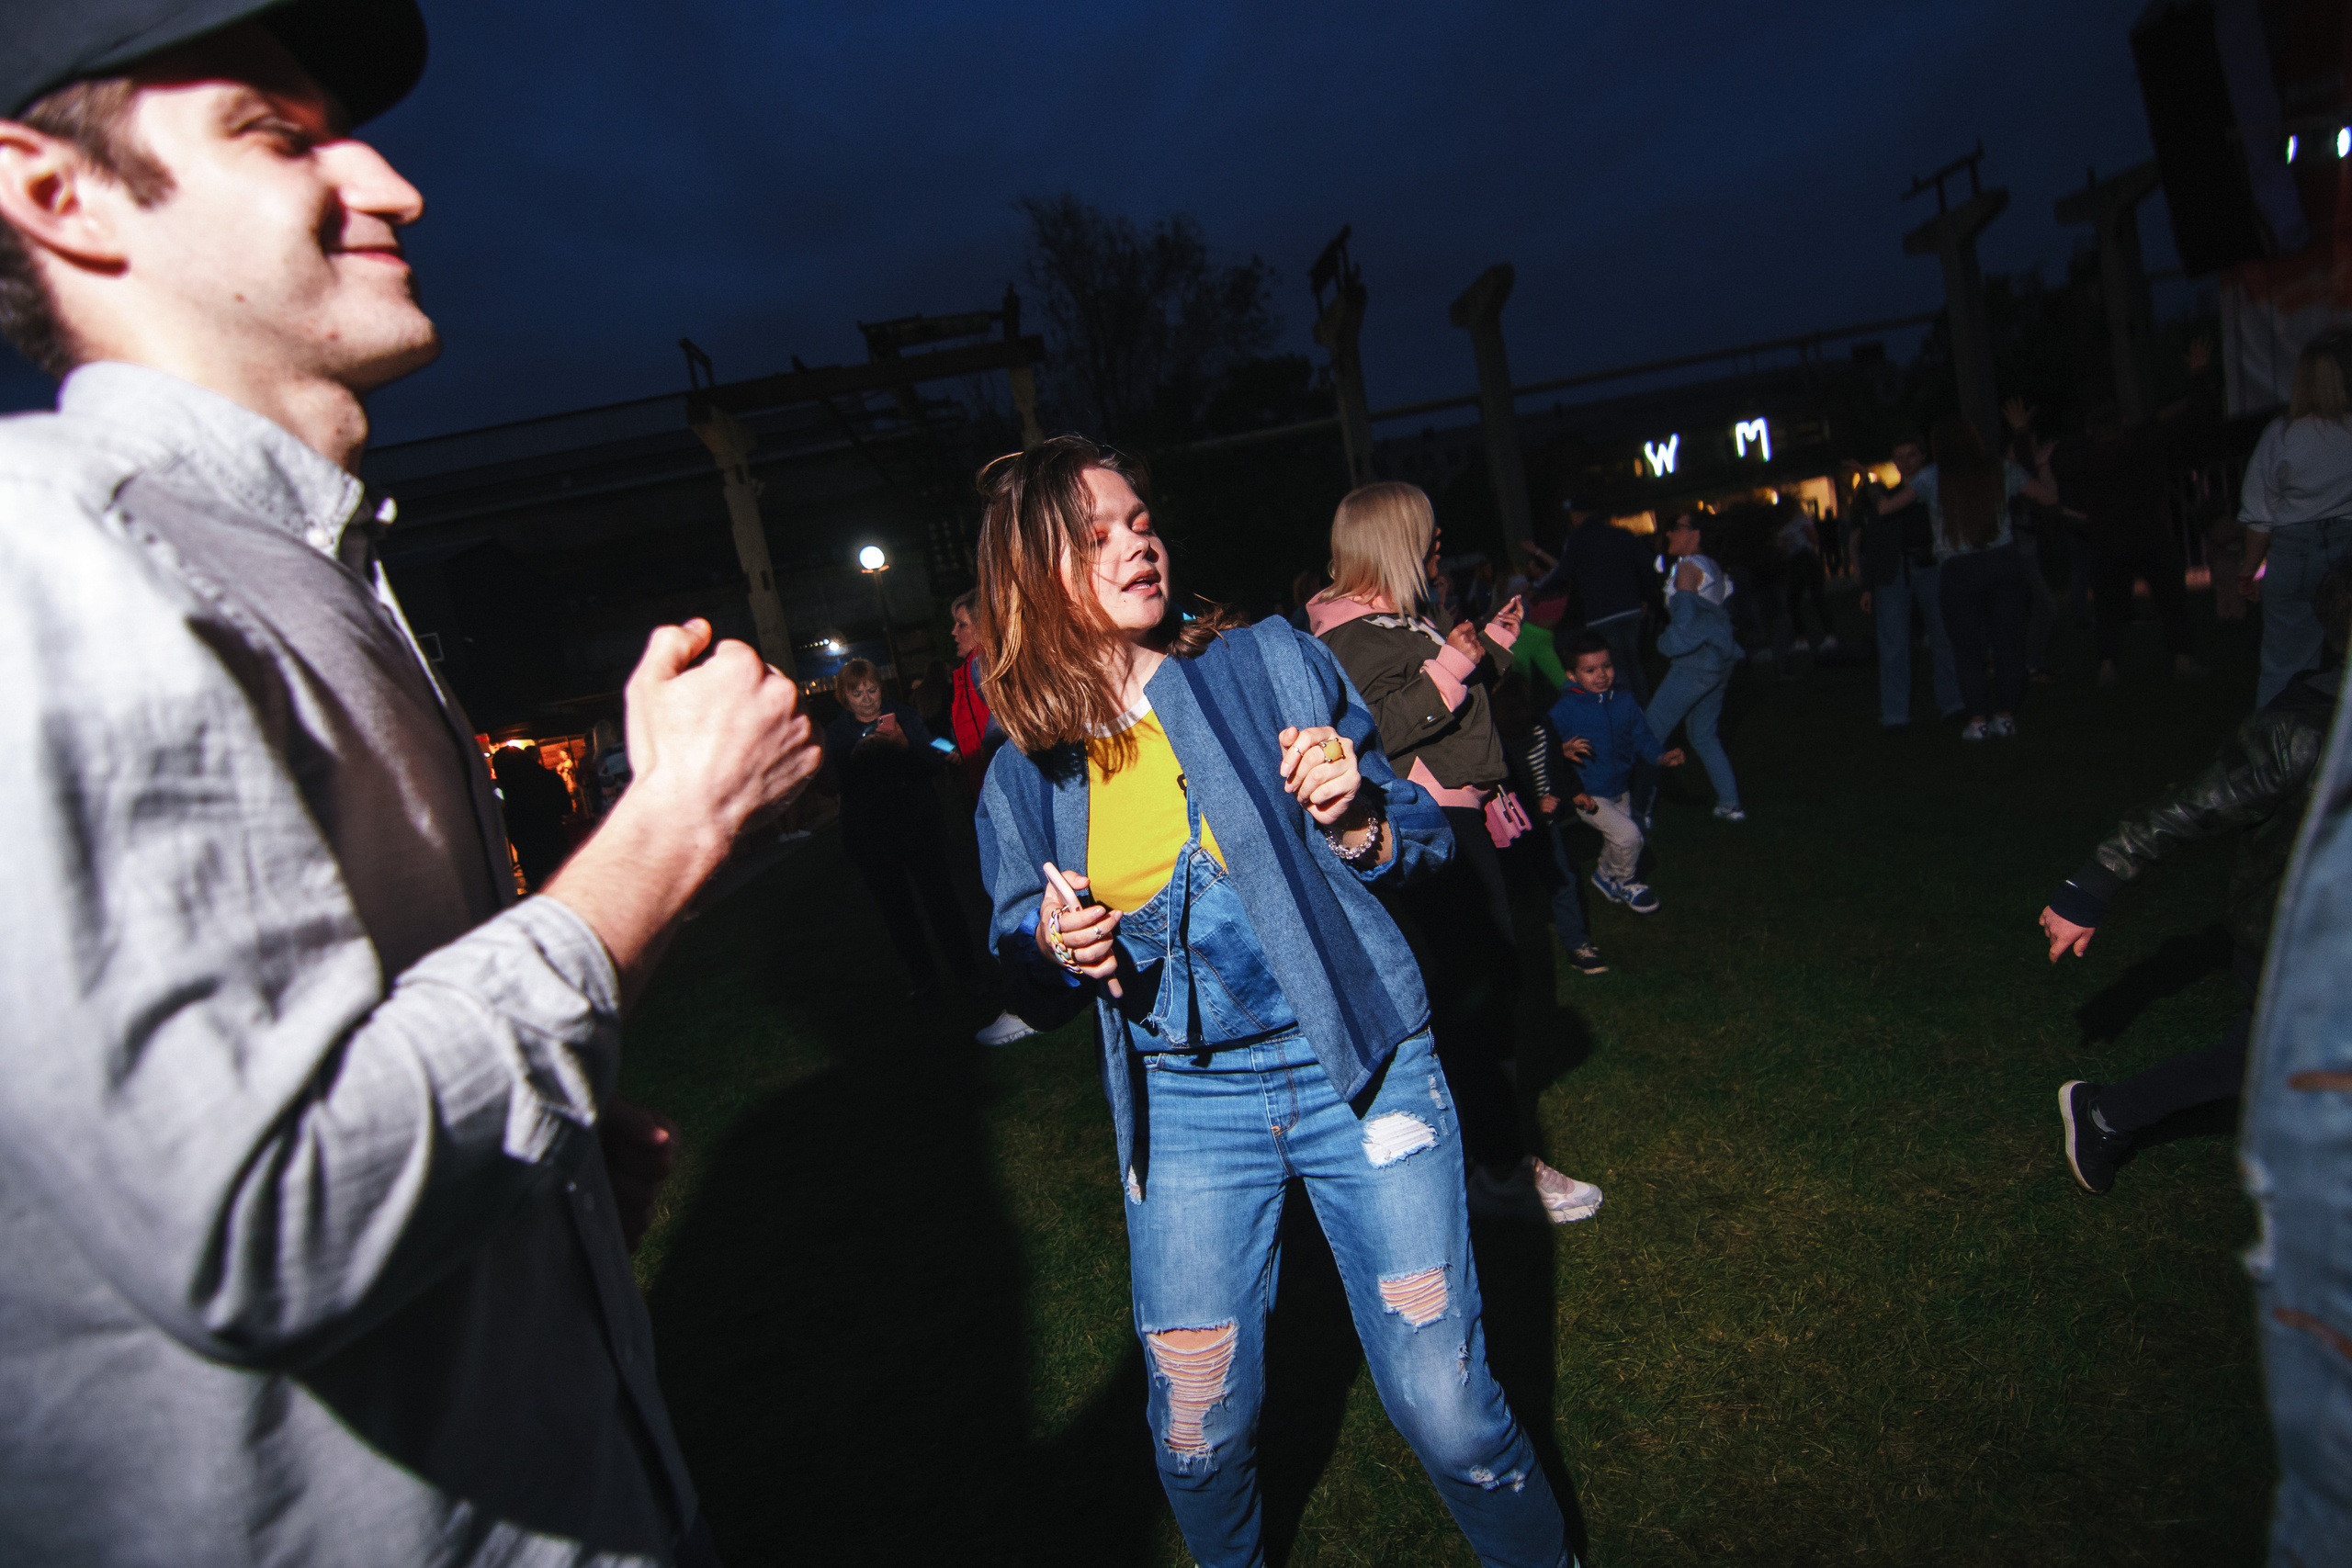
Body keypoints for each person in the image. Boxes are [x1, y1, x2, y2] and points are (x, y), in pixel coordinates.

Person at [0, 9, 824, 1563]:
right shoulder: (53, 559)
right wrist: (663, 830)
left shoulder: (304, 565)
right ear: (59, 196)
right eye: (277, 133)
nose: (392, 185)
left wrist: (536, 1186)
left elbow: (360, 1103)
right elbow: (273, 1214)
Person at [972, 437, 1581, 1568]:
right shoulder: (1028, 773)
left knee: (1446, 1411)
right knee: (1197, 1440)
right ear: (1031, 576)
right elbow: (1020, 960)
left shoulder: (1264, 664)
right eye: (1097, 535)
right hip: (1186, 1112)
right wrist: (1055, 946)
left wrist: (1355, 814)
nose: (1138, 542)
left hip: (1359, 1063)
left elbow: (1414, 843)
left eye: (1140, 519)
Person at [1309, 484, 1607, 1228]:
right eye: (1428, 532)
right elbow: (1378, 725)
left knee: (1482, 986)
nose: (1441, 542)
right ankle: (1498, 1167)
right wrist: (1449, 665)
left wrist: (1489, 651)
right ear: (1392, 542)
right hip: (1428, 826)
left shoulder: (1398, 620)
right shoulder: (1352, 637)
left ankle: (1478, 1155)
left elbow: (1456, 701)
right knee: (1476, 992)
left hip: (1462, 818)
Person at [2042, 561, 2352, 1197]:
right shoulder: (2302, 733)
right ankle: (2104, 1113)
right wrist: (2091, 884)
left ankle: (2105, 1114)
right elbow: (2192, 805)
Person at [2036, 344, 2217, 689]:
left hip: (2108, 542)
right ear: (2121, 421)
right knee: (2171, 601)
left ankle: (2107, 667)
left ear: (2091, 429)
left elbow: (2046, 469)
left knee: (2108, 609)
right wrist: (2198, 374)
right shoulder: (2141, 443)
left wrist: (2023, 439)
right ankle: (2182, 659)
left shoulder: (2086, 459)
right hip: (2151, 535)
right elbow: (2194, 414)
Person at [1876, 414, 2058, 739]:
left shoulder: (1932, 478)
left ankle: (1977, 719)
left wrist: (1872, 487)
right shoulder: (2000, 469)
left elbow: (1887, 509)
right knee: (2007, 643)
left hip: (1959, 569)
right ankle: (2005, 716)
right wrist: (2042, 464)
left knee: (1967, 648)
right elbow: (2049, 497)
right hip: (2002, 561)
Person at [824, 657, 986, 998]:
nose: (867, 698)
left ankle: (967, 973)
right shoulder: (838, 733)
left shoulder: (905, 716)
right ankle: (923, 980)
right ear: (844, 697)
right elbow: (835, 782)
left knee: (942, 903)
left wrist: (904, 747)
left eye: (872, 689)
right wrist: (857, 757)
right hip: (872, 839)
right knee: (897, 913)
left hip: (918, 828)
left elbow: (930, 760)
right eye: (858, 693)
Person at [2239, 332, 2352, 704]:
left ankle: (2269, 749)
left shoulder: (2280, 435)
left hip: (2293, 557)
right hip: (2346, 551)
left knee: (2283, 664)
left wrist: (2250, 570)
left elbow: (2261, 516)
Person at [1547, 636, 1686, 914]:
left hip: (1620, 786)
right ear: (1572, 675)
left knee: (1618, 839)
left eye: (1606, 666)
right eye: (1590, 670)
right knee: (1630, 837)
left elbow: (1641, 736)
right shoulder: (1565, 710)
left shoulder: (1623, 700)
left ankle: (1603, 875)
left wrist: (1660, 755)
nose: (1601, 675)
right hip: (1587, 792)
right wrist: (1561, 749)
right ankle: (1626, 882)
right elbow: (1544, 745)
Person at [1491, 671, 1607, 976]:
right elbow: (1499, 785)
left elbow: (1555, 765)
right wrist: (1531, 805)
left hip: (1547, 822)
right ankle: (1511, 957)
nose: (1514, 717)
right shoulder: (1491, 740)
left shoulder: (1542, 726)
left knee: (1564, 880)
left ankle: (1577, 944)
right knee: (1512, 890)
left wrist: (1573, 791)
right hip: (1511, 828)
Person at [1856, 438, 1963, 726]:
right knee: (1893, 643)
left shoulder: (1930, 492)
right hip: (1894, 572)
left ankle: (1952, 703)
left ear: (1923, 457)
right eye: (1899, 457)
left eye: (1911, 455)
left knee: (1943, 636)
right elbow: (1874, 541)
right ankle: (1895, 714)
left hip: (1929, 566)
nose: (1905, 462)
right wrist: (1868, 585)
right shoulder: (1891, 497)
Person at [1647, 513, 1745, 821]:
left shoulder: (1689, 567)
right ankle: (1730, 805)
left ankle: (1639, 811)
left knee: (1649, 733)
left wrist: (1664, 643)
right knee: (1703, 735)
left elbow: (1685, 626)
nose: (1670, 533)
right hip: (1718, 662)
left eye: (1677, 528)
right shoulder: (1712, 567)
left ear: (1695, 534)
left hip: (1695, 665)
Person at [1522, 496, 1657, 704]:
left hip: (1602, 613)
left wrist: (1538, 588)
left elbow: (1563, 570)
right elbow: (1647, 565)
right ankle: (1646, 710)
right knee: (1634, 662)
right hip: (1630, 608)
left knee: (1616, 666)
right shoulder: (1621, 535)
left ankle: (1631, 714)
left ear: (1577, 516)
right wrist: (1645, 597)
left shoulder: (1577, 540)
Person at [492, 741, 576, 889]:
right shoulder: (549, 778)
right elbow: (567, 808)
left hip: (529, 854)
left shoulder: (507, 791)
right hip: (555, 843)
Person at [1778, 501, 1834, 653]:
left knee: (1815, 598)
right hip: (1796, 561)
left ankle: (1828, 636)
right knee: (1794, 601)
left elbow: (1814, 539)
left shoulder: (1801, 521)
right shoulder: (1784, 527)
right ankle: (1803, 639)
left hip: (1806, 559)